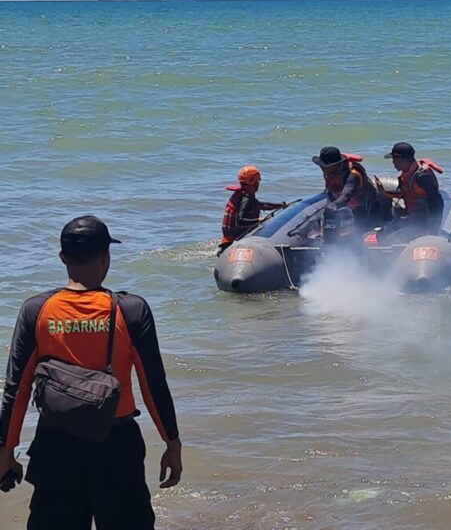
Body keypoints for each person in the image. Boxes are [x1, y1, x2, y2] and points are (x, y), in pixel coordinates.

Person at [0, 216, 182, 530]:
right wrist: (172, 443)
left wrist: (5, 451)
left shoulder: (37, 311)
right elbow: (153, 385)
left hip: (56, 445)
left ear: (62, 258)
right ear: (105, 258)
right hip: (117, 446)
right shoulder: (131, 310)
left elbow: (16, 390)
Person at [376, 142, 444, 243]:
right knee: (382, 234)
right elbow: (405, 194)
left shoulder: (422, 177)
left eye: (394, 160)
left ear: (403, 160)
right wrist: (383, 191)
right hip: (412, 218)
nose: (393, 163)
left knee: (393, 240)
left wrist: (433, 229)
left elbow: (437, 201)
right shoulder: (407, 174)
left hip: (423, 223)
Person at [218, 165, 286, 255]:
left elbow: (260, 205)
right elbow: (240, 221)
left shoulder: (241, 194)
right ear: (252, 182)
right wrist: (258, 221)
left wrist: (279, 205)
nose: (258, 183)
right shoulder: (246, 199)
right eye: (257, 181)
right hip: (236, 233)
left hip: (228, 234)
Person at [313, 146, 376, 234]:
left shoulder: (353, 175)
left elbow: (346, 195)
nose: (322, 168)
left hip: (361, 209)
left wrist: (333, 206)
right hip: (343, 207)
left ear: (335, 165)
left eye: (324, 166)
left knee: (356, 233)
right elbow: (330, 192)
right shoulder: (328, 173)